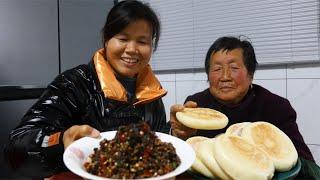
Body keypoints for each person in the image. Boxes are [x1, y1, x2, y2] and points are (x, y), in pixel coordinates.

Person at [4, 0, 169, 178]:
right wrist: (60, 141)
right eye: (123, 39)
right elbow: (16, 148)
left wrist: (176, 131)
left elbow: (158, 146)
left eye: (142, 41)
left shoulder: (152, 93)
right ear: (106, 39)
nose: (131, 49)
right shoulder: (74, 83)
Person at [170, 36, 319, 178]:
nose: (225, 77)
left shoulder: (275, 107)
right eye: (217, 69)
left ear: (251, 74)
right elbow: (169, 154)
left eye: (234, 68)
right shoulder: (196, 105)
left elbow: (310, 169)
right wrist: (178, 134)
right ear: (208, 76)